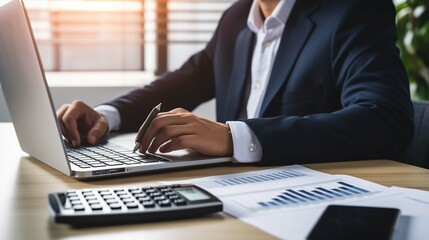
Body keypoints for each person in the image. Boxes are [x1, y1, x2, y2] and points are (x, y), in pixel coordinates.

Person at [57, 0, 414, 165]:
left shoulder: (354, 10)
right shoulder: (234, 19)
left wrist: (234, 137)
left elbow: (384, 118)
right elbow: (181, 83)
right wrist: (108, 114)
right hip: (229, 196)